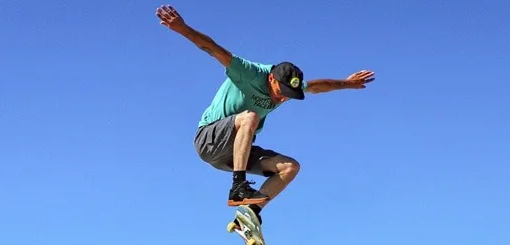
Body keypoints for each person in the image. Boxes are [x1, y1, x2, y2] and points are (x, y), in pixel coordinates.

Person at [155, 5, 375, 228]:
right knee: (250, 117)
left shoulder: (287, 88)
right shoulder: (249, 72)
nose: (282, 100)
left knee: (290, 167)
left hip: (233, 154)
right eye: (281, 93)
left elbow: (317, 86)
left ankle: (249, 214)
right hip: (209, 140)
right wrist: (182, 28)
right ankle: (238, 186)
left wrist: (347, 84)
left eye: (289, 96)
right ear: (271, 79)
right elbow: (213, 49)